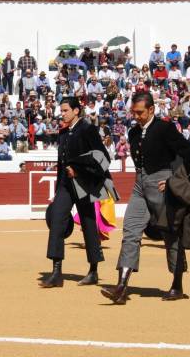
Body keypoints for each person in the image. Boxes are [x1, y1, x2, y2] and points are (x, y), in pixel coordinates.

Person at [102, 92, 190, 304]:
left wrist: (175, 180)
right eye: (134, 112)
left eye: (140, 112)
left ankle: (177, 285)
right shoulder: (134, 132)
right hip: (140, 184)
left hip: (162, 185)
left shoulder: (165, 129)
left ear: (152, 109)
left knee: (171, 233)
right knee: (130, 230)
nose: (136, 116)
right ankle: (121, 287)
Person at [41, 97, 118, 288]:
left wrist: (80, 170)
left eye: (66, 110)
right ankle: (56, 272)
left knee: (89, 224)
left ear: (76, 111)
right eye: (62, 110)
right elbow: (62, 163)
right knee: (57, 220)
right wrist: (59, 186)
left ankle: (93, 271)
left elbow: (103, 157)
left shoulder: (88, 129)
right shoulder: (64, 132)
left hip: (83, 184)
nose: (62, 113)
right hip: (66, 185)